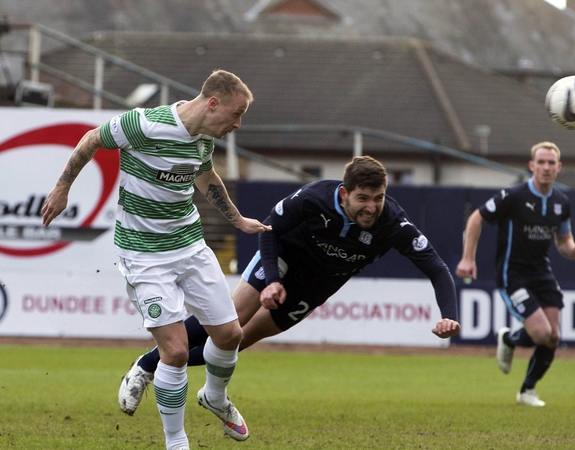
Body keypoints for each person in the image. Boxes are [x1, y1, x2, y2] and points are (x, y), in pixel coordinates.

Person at [117, 155, 462, 416]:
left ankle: (207, 394)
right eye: (363, 198)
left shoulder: (393, 222)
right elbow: (270, 231)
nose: (371, 207)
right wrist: (273, 279)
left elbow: (436, 267)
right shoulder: (315, 198)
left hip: (316, 286)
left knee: (237, 343)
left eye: (378, 197)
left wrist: (449, 315)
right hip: (281, 258)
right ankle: (147, 366)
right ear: (345, 193)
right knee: (231, 320)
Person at [42, 69, 270, 450]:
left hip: (191, 247)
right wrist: (62, 187)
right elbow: (92, 139)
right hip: (144, 254)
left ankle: (214, 397)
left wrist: (238, 219)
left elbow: (205, 176)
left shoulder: (203, 138)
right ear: (213, 103)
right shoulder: (145, 124)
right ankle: (176, 442)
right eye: (236, 113)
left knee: (231, 335)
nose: (238, 123)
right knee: (177, 351)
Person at [456, 141, 575, 407]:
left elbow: (563, 241)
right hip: (512, 273)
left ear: (559, 167)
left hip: (541, 272)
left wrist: (573, 251)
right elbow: (475, 218)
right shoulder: (513, 197)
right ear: (531, 166)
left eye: (551, 163)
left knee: (553, 336)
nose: (546, 167)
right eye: (541, 162)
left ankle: (527, 390)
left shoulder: (561, 202)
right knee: (541, 333)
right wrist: (468, 258)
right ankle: (509, 339)